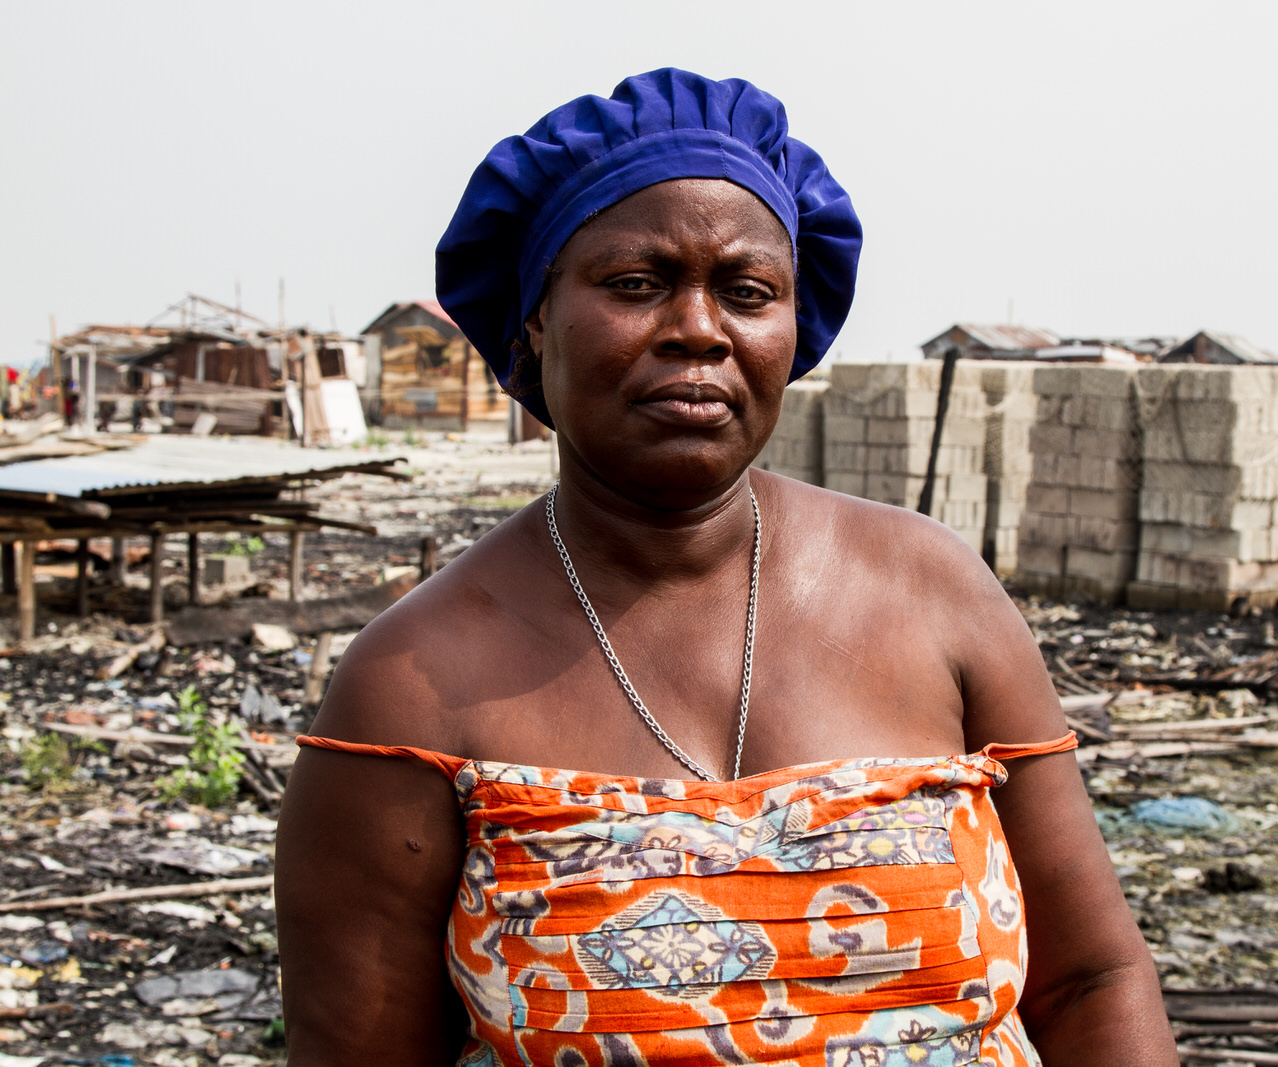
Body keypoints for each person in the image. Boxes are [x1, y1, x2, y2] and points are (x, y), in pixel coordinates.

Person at [276, 69, 1175, 1067]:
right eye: (635, 283)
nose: (699, 328)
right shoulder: (409, 686)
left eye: (746, 292)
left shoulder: (932, 591)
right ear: (534, 320)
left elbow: (1091, 980)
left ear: (792, 327)